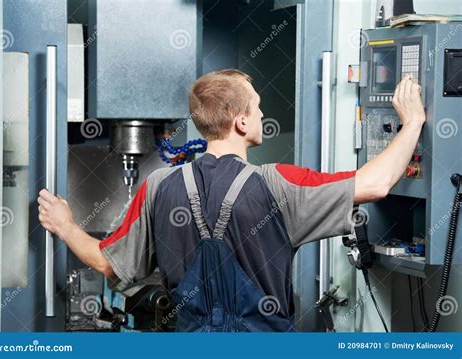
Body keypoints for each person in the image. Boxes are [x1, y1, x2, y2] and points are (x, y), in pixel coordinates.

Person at [38, 70, 425, 331]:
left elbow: (109, 265)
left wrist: (65, 225)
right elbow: (375, 183)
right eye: (256, 107)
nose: (262, 113)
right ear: (241, 122)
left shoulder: (158, 186)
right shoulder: (280, 183)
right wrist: (412, 123)